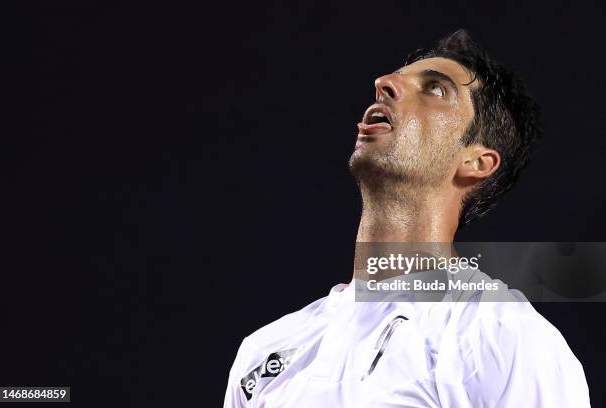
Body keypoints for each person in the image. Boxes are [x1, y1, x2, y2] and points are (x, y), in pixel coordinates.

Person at [223, 29, 590, 407]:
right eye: (391, 79)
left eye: (435, 89)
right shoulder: (264, 350)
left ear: (476, 161)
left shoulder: (502, 336)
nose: (384, 83)